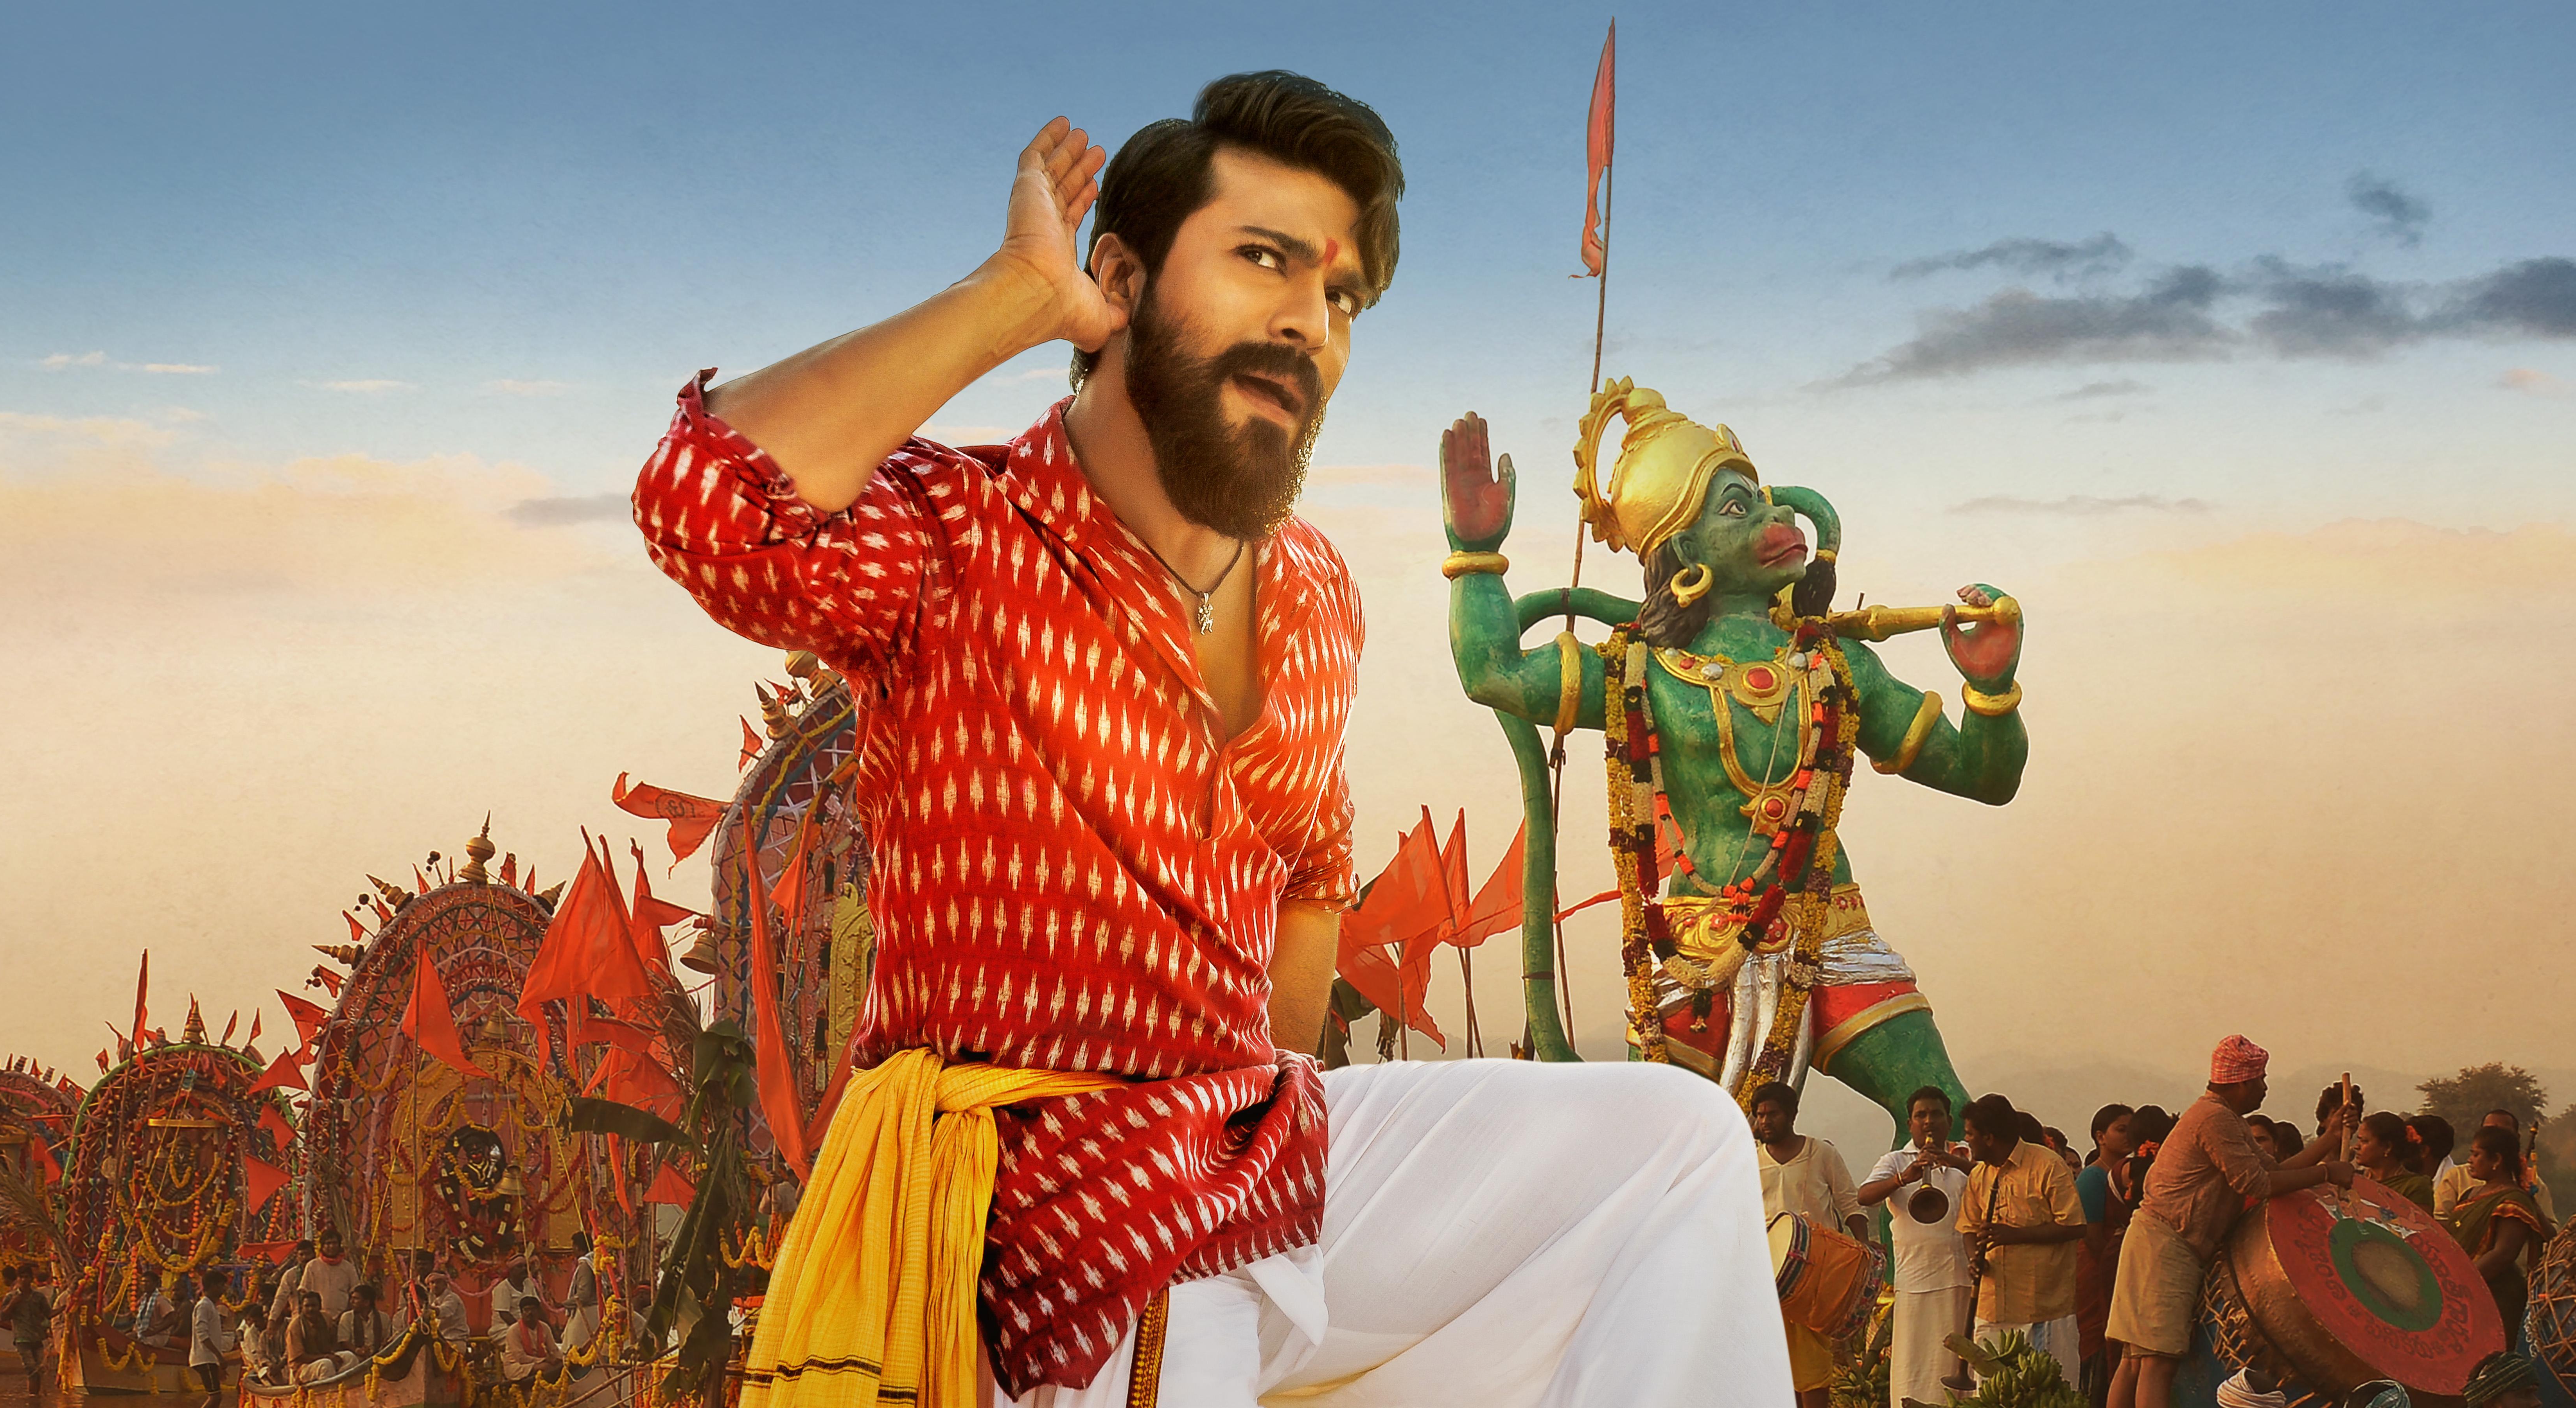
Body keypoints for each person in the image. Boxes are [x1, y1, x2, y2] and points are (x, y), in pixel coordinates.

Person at [634, 69, 1779, 1408]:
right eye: (1263, 261)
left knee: (1674, 1148)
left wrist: (1266, 1123)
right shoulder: (961, 535)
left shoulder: (1316, 590)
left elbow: (1307, 879)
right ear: (1119, 281)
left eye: (1341, 298)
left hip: (1250, 1144)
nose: (1309, 324)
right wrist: (1012, 295)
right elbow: (706, 501)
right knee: (1175, 1297)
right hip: (1035, 1198)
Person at [2107, 1037, 2356, 1408]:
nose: (2265, 1088)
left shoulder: (2226, 1119)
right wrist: (2327, 1173)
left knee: (2136, 1361)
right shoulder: (2215, 1119)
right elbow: (2257, 1184)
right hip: (2166, 1246)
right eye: (2261, 1080)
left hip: (2158, 1243)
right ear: (2242, 1083)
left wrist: (2330, 1138)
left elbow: (2273, 1171)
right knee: (2156, 1363)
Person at [1959, 1093, 2088, 1382]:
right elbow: (1969, 1228)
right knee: (1991, 1395)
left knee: (2047, 1392)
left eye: (1970, 1134)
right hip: (1991, 1308)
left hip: (2042, 1308)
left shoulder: (2048, 1166)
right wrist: (1974, 1259)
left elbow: (2075, 1226)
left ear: (1989, 1138)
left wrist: (2015, 1236)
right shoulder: (1979, 1175)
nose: (1966, 1141)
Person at [1752, 1079, 1864, 1408]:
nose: (1765, 1121)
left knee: (1812, 1364)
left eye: (1773, 1114)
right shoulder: (1750, 1160)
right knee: (1776, 1363)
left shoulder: (1821, 1152)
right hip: (1768, 1275)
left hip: (1815, 1272)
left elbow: (1849, 1203)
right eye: (1760, 1115)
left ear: (1792, 1114)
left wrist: (1865, 1248)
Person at [1861, 1086, 1974, 1408]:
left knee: (1960, 1364)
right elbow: (1865, 1196)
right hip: (1916, 1281)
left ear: (1949, 1121)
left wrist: (1952, 1161)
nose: (1928, 1122)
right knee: (1917, 1364)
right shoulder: (1895, 1160)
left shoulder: (1966, 1156)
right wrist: (1903, 1178)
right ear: (1910, 1123)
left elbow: (1991, 1177)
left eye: (1936, 1114)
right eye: (1920, 1116)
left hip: (1961, 1278)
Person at [2442, 1126, 2549, 1342]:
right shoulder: (2470, 1194)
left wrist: (2459, 1284)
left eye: (2476, 1155)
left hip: (2494, 1298)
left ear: (2497, 1160)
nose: (2470, 1160)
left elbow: (2504, 1254)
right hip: (2459, 1294)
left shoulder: (2513, 1201)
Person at [2077, 1104, 2140, 1395]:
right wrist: (2115, 1269)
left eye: (2132, 1130)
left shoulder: (2132, 1173)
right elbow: (2091, 1235)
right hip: (2099, 1269)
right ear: (2101, 1137)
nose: (2128, 1136)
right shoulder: (2094, 1178)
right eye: (2121, 1130)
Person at [2436, 1110, 2524, 1216]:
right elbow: (2441, 1219)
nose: (2495, 1136)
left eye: (2476, 1155)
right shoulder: (2457, 1177)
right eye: (2488, 1131)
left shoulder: (2527, 1186)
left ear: (2497, 1159)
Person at [2358, 1113, 2437, 1209]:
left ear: (2388, 1147)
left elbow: (2419, 1218)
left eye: (2365, 1141)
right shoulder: (2354, 1180)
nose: (2357, 1147)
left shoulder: (2415, 1187)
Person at [5, 1263, 55, 1394]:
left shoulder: (39, 1297)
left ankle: (35, 1397)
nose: (24, 1280)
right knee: (31, 1369)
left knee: (39, 1370)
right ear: (18, 1279)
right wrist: (13, 1304)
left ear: (32, 1279)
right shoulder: (11, 1297)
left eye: (27, 1277)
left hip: (37, 1338)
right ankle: (33, 1397)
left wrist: (66, 1307)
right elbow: (3, 1317)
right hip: (22, 1339)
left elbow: (49, 1314)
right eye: (21, 1277)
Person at [189, 1270, 235, 1408]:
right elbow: (202, 1334)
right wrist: (219, 1357)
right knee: (215, 1397)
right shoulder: (204, 1306)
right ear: (213, 1286)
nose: (224, 1289)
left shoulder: (211, 1306)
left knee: (216, 1396)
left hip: (209, 1358)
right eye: (221, 1286)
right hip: (205, 1358)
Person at [497, 1295, 558, 1380]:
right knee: (547, 1367)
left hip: (538, 1362)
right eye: (526, 1310)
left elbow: (554, 1350)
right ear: (522, 1313)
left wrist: (562, 1359)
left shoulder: (545, 1327)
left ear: (538, 1312)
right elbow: (521, 1358)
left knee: (561, 1366)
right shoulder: (514, 1330)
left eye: (533, 1309)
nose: (530, 1313)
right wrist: (544, 1360)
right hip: (517, 1366)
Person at [561, 1232, 599, 1352]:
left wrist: (564, 1304)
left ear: (578, 1248)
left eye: (573, 1246)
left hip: (587, 1312)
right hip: (594, 1311)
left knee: (573, 1348)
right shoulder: (594, 1261)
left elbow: (584, 1295)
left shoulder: (585, 1266)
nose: (572, 1250)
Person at [337, 1282, 393, 1359]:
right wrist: (358, 1351)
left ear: (367, 1303)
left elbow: (387, 1339)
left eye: (356, 1299)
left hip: (379, 1357)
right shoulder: (347, 1317)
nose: (352, 1302)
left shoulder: (384, 1318)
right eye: (352, 1298)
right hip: (355, 1357)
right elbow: (344, 1341)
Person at [488, 1256, 535, 1332]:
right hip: (505, 1329)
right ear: (511, 1271)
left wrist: (549, 1328)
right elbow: (504, 1315)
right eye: (520, 1267)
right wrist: (523, 1330)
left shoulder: (529, 1284)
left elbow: (538, 1308)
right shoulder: (503, 1288)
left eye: (525, 1266)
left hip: (528, 1328)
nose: (524, 1269)